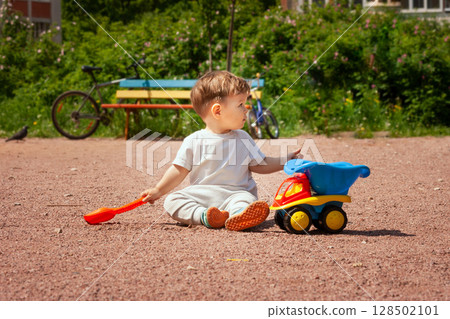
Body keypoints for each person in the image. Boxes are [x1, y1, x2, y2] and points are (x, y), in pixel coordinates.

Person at [140, 71, 302, 231]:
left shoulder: (243, 138)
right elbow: (178, 170)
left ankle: (239, 215)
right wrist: (158, 190)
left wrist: (285, 160)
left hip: (236, 194)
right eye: (240, 104)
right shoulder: (193, 141)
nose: (246, 109)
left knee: (246, 200)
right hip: (201, 195)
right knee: (172, 200)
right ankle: (205, 216)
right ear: (217, 111)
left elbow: (261, 163)